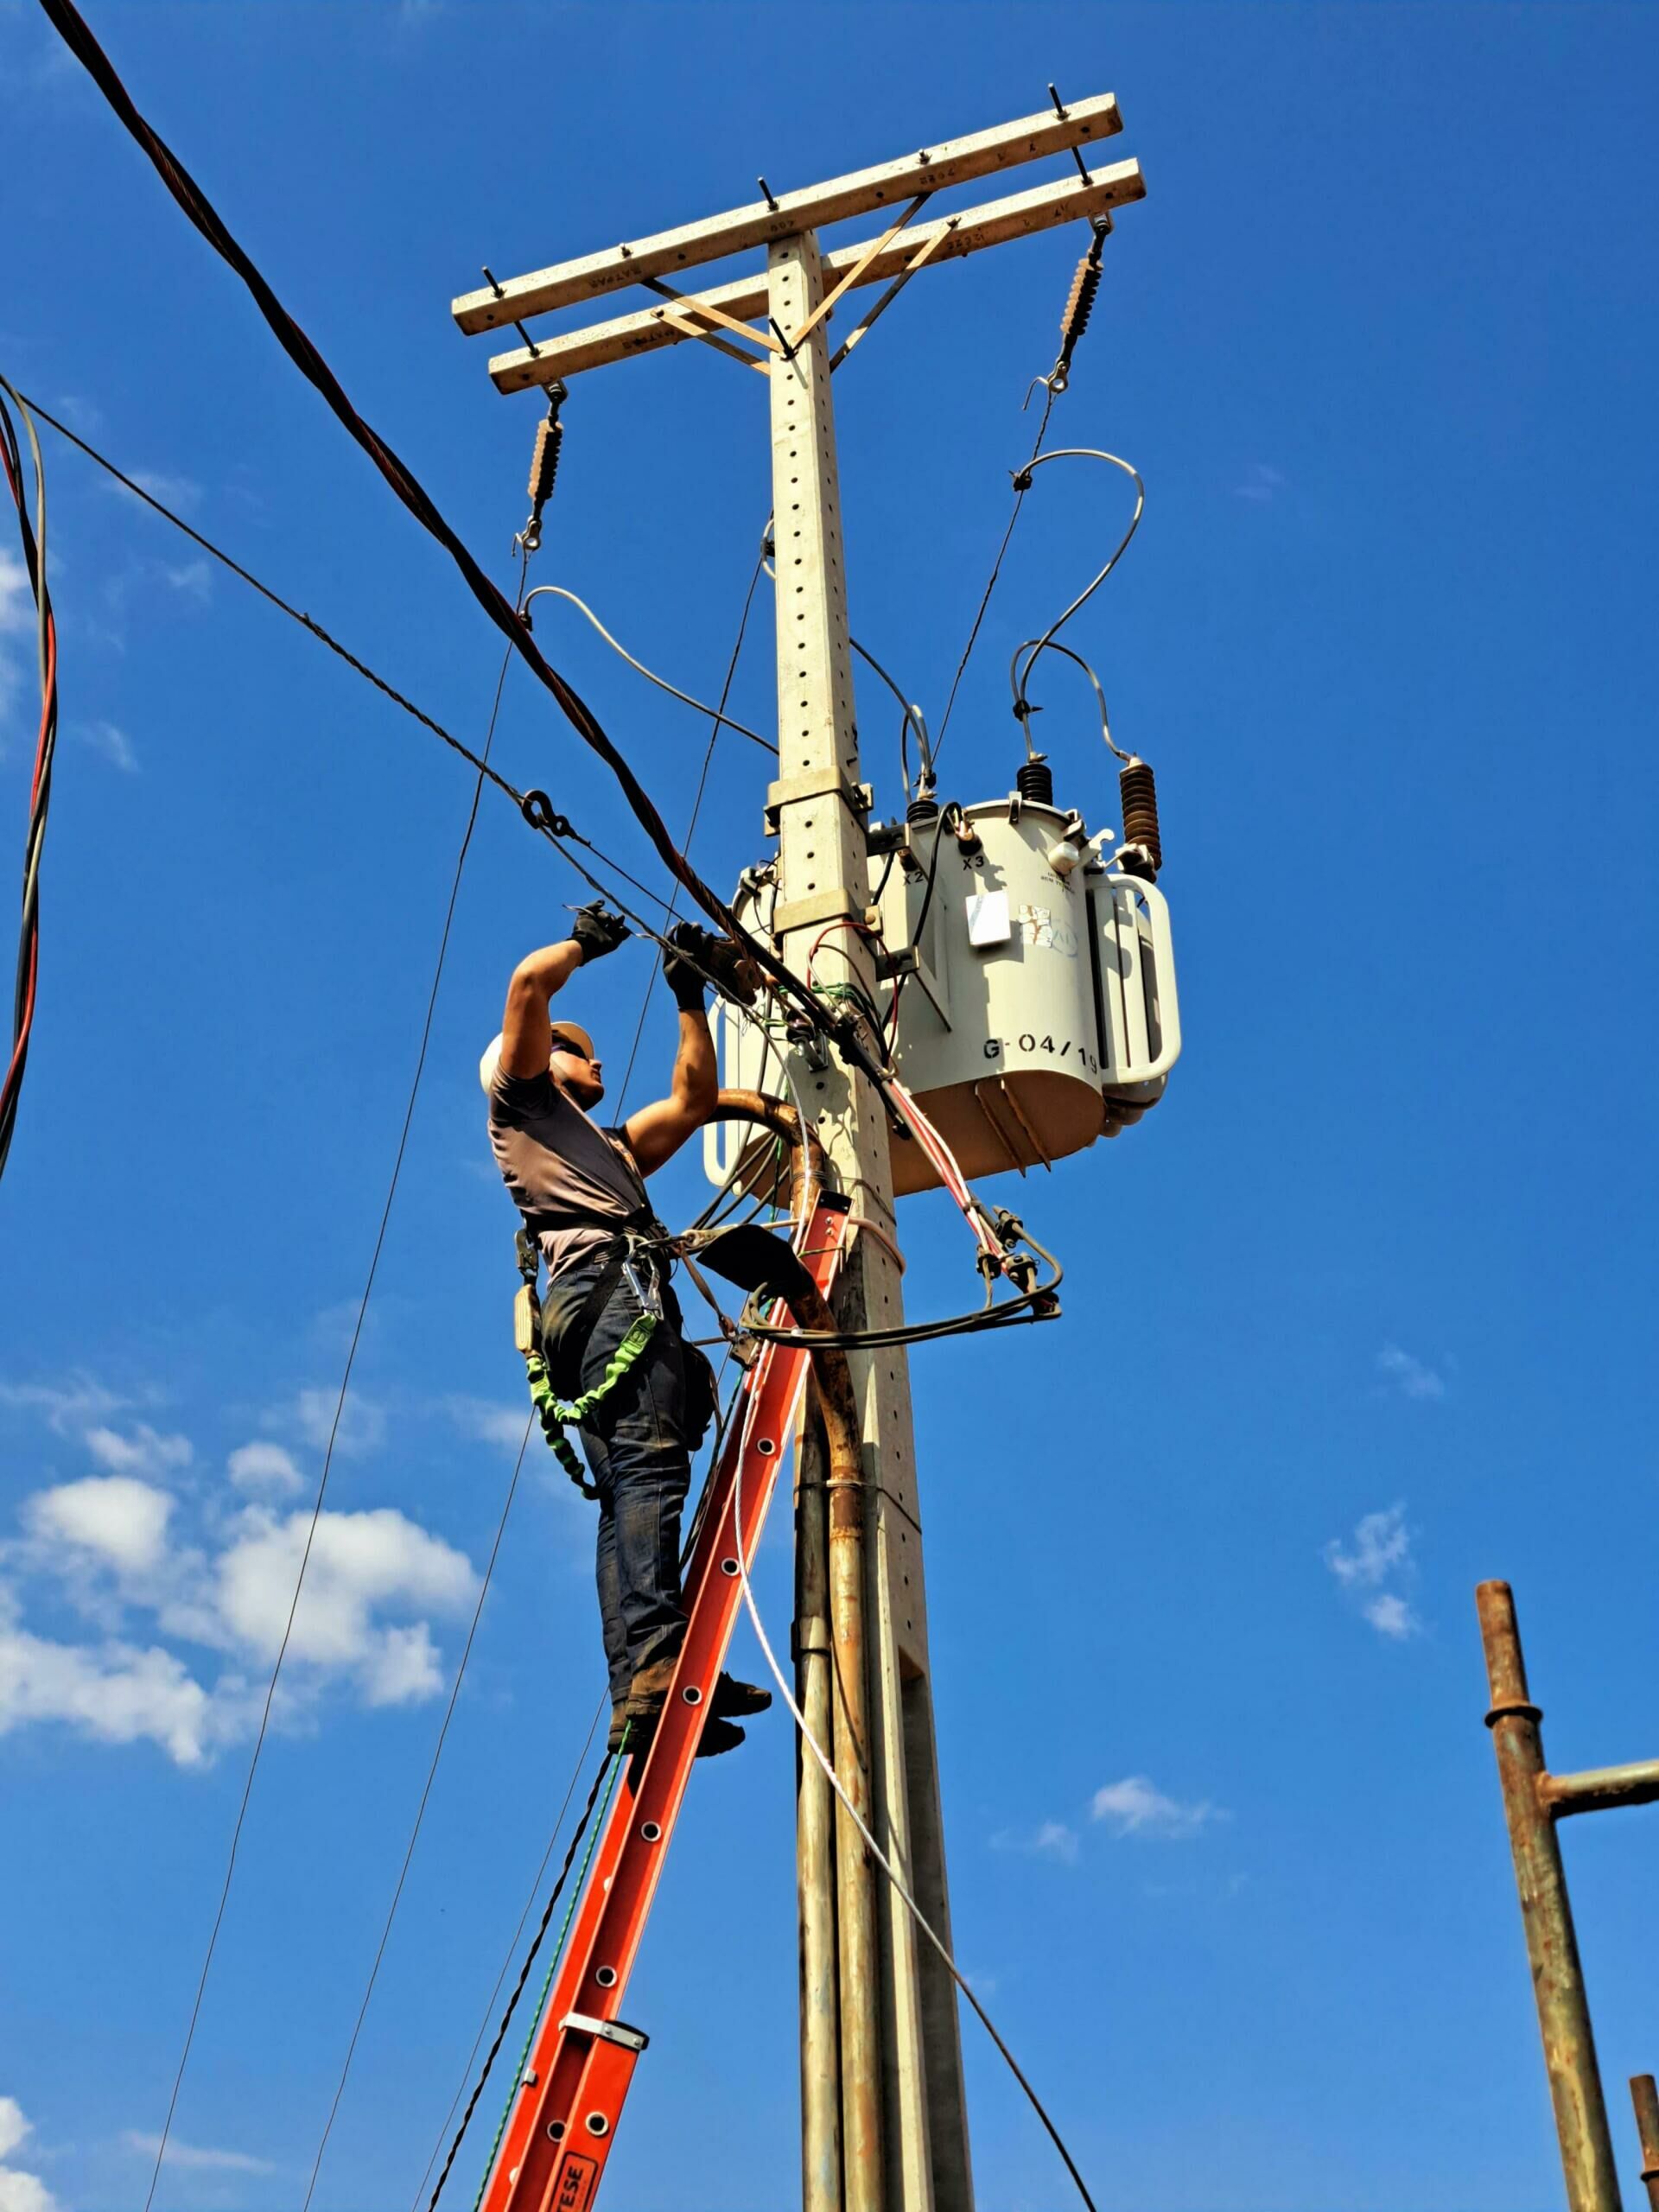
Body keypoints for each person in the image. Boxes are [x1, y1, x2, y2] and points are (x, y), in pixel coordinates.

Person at [481, 899, 770, 1760]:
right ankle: (655, 1667)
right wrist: (585, 944)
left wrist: (689, 994)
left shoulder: (599, 1145)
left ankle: (646, 1675)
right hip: (607, 1306)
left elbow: (693, 1098)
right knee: (648, 1479)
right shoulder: (520, 1100)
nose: (595, 1057)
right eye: (578, 1049)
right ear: (533, 1058)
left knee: (632, 1496)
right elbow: (529, 985)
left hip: (606, 1310)